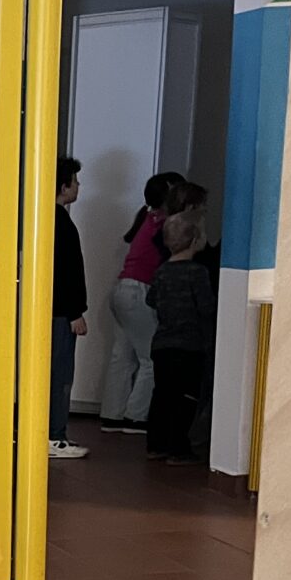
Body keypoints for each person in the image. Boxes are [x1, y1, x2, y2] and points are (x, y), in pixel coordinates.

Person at [99, 171, 180, 433]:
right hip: (139, 291)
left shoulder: (146, 216)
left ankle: (111, 415)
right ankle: (136, 417)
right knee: (150, 358)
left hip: (122, 289)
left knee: (121, 356)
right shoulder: (166, 223)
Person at [145, 210, 218, 465]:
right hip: (190, 346)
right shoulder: (197, 272)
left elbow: (151, 299)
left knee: (162, 394)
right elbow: (207, 306)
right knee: (186, 397)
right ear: (196, 239)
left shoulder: (162, 271)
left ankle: (156, 444)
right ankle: (178, 447)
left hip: (162, 343)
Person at [50, 155, 90, 459]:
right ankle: (54, 435)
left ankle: (50, 433)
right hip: (62, 313)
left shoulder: (48, 220)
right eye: (74, 181)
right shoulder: (61, 224)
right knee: (60, 375)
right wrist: (75, 312)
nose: (78, 186)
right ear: (63, 186)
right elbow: (66, 273)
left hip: (56, 311)